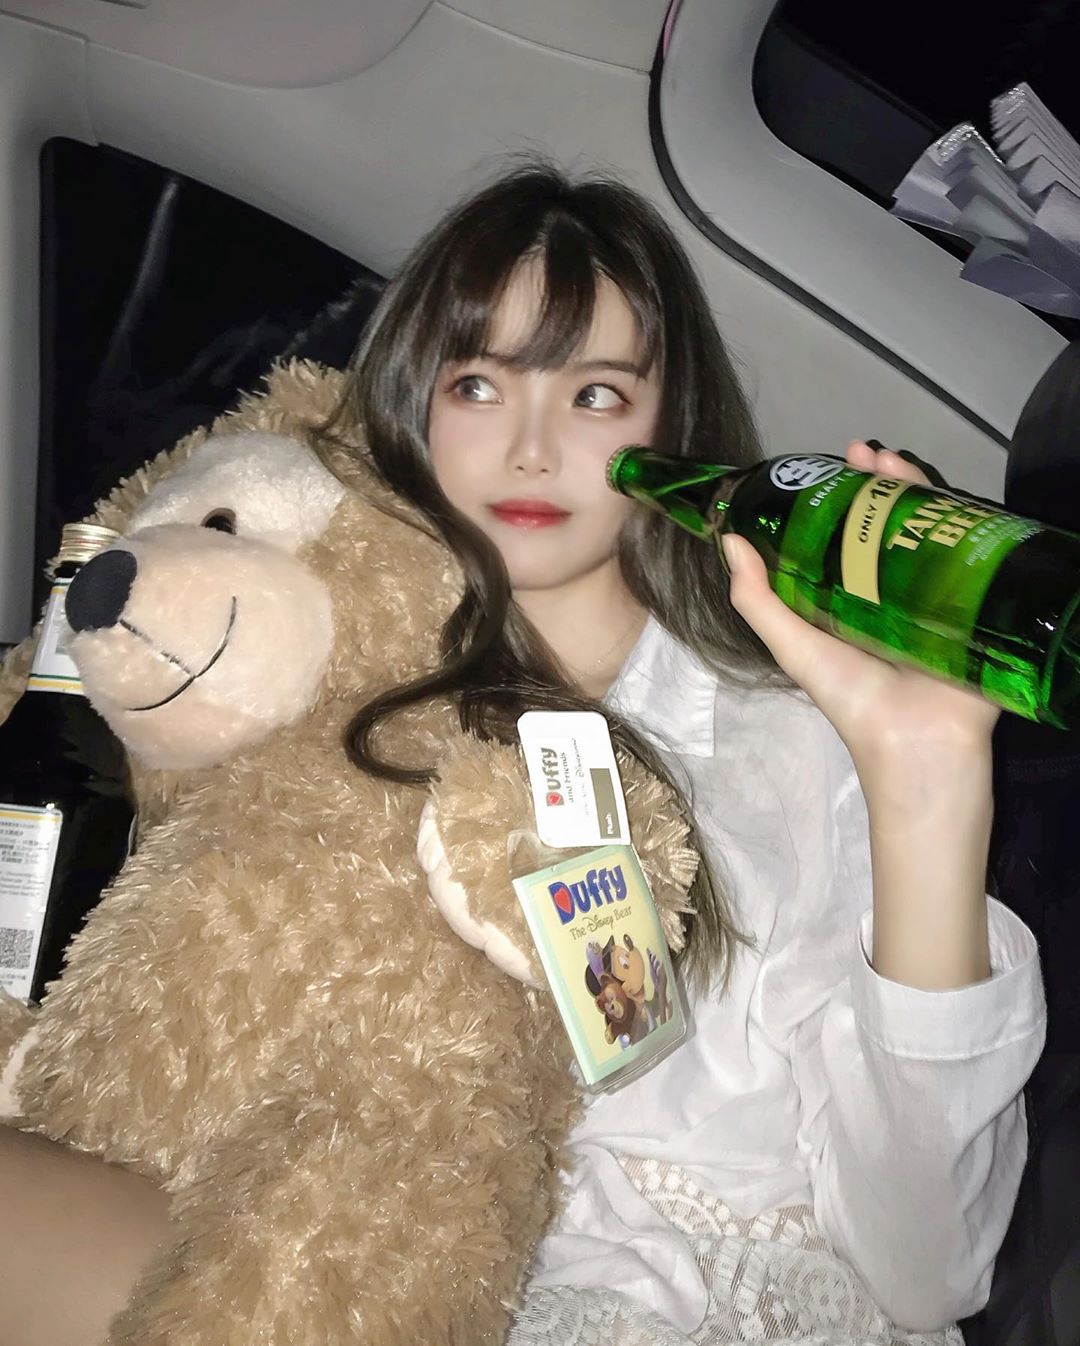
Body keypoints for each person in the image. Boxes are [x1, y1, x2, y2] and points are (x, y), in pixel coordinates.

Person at [315, 162, 1047, 1345]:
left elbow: (927, 1270)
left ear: (669, 432)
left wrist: (927, 786)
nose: (534, 447)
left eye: (596, 393)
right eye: (479, 384)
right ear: (411, 404)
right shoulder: (336, 725)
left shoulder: (789, 737)